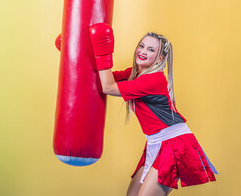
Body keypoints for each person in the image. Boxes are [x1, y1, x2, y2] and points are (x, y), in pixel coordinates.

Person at [88, 23, 218, 196]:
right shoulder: (134, 74)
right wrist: (79, 54)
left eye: (150, 49)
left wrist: (102, 51)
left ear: (159, 58)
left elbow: (108, 87)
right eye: (141, 46)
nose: (143, 51)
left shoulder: (153, 80)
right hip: (155, 143)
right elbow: (101, 78)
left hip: (174, 144)